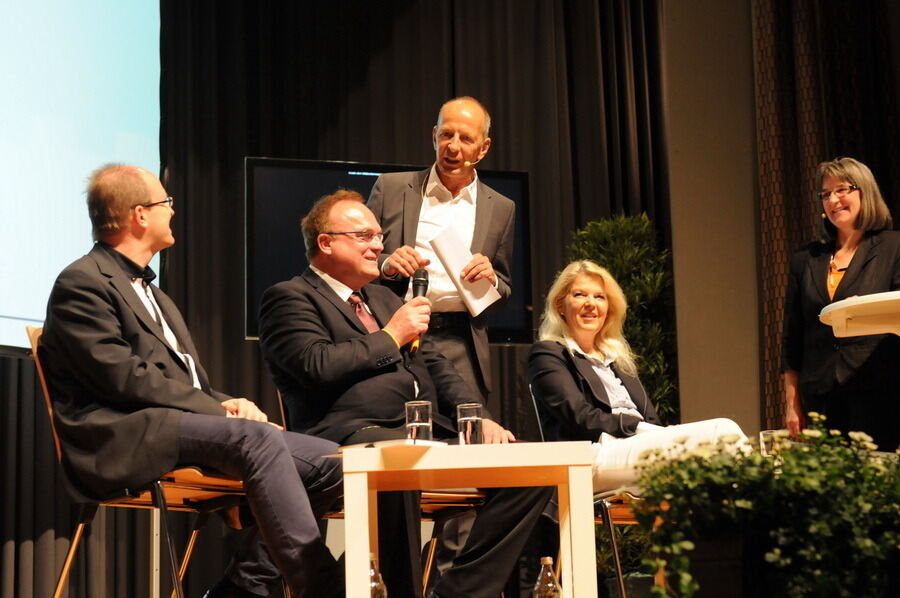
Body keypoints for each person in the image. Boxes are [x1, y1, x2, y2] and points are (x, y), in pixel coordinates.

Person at [41, 164, 343, 598]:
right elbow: (122, 378)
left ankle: (244, 588)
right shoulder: (82, 282)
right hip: (123, 432)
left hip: (171, 421)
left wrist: (228, 401)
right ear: (140, 214)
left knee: (330, 461)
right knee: (255, 441)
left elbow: (188, 381)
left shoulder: (155, 294)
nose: (174, 211)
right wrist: (216, 409)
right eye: (167, 203)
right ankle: (323, 588)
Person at [258, 190, 551, 598]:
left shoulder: (383, 296)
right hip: (348, 436)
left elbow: (435, 365)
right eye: (363, 236)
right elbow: (316, 365)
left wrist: (476, 416)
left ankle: (457, 593)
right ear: (326, 243)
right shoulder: (290, 297)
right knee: (396, 462)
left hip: (421, 433)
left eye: (379, 236)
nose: (379, 246)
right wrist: (392, 335)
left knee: (531, 470)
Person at [528, 260, 746, 492]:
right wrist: (639, 428)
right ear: (561, 305)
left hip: (637, 449)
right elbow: (579, 417)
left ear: (609, 308)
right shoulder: (549, 353)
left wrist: (651, 432)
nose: (591, 304)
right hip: (592, 457)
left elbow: (651, 420)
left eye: (600, 297)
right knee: (723, 431)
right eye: (580, 295)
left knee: (720, 472)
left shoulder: (618, 360)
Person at [367, 96, 514, 404]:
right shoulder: (392, 188)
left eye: (466, 138)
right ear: (434, 135)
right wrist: (386, 263)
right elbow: (355, 259)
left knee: (467, 434)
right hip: (395, 329)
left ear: (484, 148)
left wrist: (493, 280)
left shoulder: (501, 208)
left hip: (460, 340)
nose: (453, 146)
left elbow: (504, 290)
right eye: (447, 134)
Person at [782, 156, 900, 451]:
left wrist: (866, 309)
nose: (833, 199)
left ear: (865, 192)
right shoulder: (805, 259)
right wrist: (792, 404)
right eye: (825, 194)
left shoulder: (893, 247)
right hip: (820, 396)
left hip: (878, 392)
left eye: (841, 190)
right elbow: (793, 339)